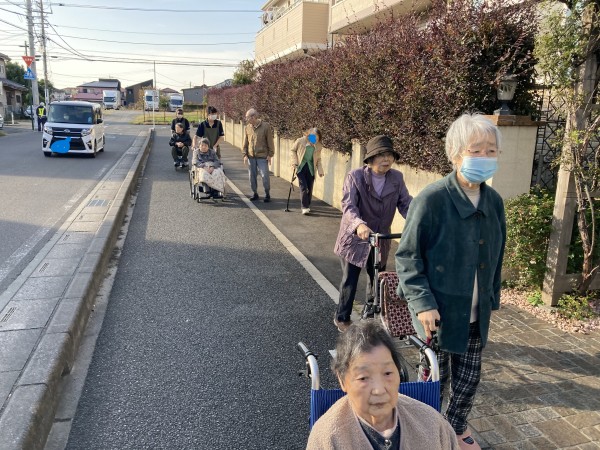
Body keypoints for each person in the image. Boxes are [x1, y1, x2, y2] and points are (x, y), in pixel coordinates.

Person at [395, 113, 506, 450]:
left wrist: (492, 298)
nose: (485, 157)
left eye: (491, 150)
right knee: (434, 379)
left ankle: (455, 427)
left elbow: (497, 253)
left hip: (475, 313)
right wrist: (422, 304)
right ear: (456, 154)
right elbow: (407, 257)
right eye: (477, 150)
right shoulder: (432, 199)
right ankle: (425, 432)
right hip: (438, 314)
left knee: (469, 379)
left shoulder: (494, 202)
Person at [306, 321, 459, 450]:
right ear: (342, 381)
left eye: (387, 373)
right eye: (363, 378)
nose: (379, 390)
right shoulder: (327, 438)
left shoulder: (432, 424)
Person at [333, 135, 412, 332]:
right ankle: (342, 317)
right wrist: (359, 225)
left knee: (376, 278)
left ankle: (370, 315)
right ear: (370, 158)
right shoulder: (356, 176)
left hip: (380, 238)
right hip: (355, 237)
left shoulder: (396, 178)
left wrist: (419, 220)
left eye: (389, 155)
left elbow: (406, 204)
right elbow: (348, 206)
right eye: (381, 155)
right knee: (350, 279)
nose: (386, 159)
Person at [242, 108, 274, 202]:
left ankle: (267, 193)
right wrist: (244, 154)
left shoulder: (265, 126)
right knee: (252, 176)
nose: (246, 119)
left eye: (247, 117)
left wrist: (270, 154)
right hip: (251, 156)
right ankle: (254, 193)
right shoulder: (247, 127)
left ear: (253, 117)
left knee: (264, 176)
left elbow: (270, 141)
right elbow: (245, 142)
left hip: (262, 156)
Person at [290, 127, 324, 215]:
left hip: (310, 168)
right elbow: (293, 151)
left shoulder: (318, 146)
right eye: (313, 137)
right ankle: (304, 207)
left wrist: (320, 170)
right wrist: (294, 162)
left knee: (310, 188)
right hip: (300, 167)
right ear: (309, 135)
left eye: (317, 139)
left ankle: (307, 204)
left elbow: (318, 159)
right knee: (303, 187)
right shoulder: (300, 141)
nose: (315, 140)